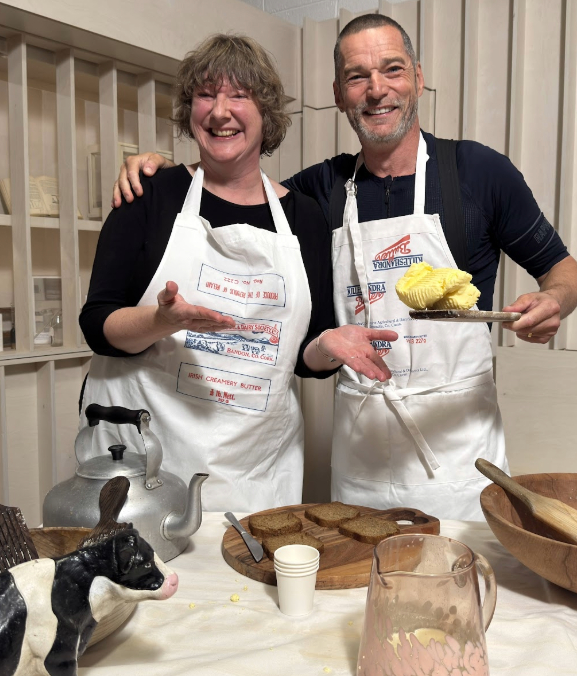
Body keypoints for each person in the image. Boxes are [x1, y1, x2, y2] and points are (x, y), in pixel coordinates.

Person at [111, 16, 577, 520]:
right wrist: (163, 171)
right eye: (358, 77)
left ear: (418, 79)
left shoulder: (479, 173)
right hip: (359, 464)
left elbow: (565, 273)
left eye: (392, 70)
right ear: (338, 93)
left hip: (460, 463)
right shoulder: (318, 190)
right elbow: (233, 187)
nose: (376, 90)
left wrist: (553, 300)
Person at [80, 33, 397, 513]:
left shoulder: (305, 217)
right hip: (148, 464)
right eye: (206, 94)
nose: (220, 111)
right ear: (190, 110)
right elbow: (98, 326)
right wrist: (162, 322)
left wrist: (326, 347)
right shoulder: (151, 195)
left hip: (255, 470)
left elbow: (301, 356)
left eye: (239, 95)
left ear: (266, 114)